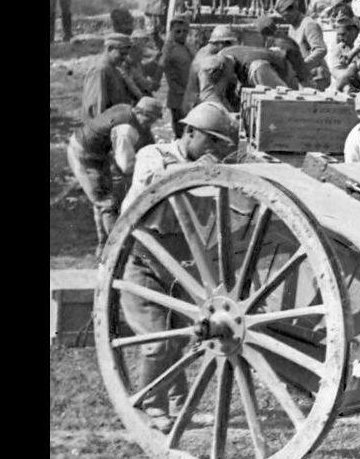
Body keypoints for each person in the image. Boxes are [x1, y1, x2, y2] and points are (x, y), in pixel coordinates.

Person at [117, 102, 238, 431]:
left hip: (182, 261)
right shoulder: (153, 155)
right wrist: (198, 170)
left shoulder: (207, 165)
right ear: (189, 132)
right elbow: (153, 184)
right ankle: (150, 405)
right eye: (210, 141)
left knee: (184, 337)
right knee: (159, 341)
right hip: (141, 258)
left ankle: (179, 404)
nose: (214, 151)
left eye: (219, 145)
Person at [66, 97, 164, 259]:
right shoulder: (125, 130)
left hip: (98, 153)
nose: (150, 125)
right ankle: (118, 248)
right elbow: (126, 166)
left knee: (106, 199)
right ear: (142, 114)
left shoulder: (127, 109)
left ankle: (104, 247)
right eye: (150, 120)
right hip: (83, 154)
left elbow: (145, 138)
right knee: (106, 203)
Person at [82, 34, 141, 120]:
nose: (125, 58)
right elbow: (97, 108)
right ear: (109, 49)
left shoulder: (115, 70)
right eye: (122, 54)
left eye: (126, 54)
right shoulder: (100, 70)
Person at [277, 0, 327, 88]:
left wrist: (303, 66)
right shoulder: (292, 27)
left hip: (316, 77)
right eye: (282, 17)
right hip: (302, 76)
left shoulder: (309, 24)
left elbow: (321, 49)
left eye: (286, 16)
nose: (284, 19)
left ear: (294, 9)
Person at [158, 18, 194, 137]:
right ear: (171, 32)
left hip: (188, 94)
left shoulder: (186, 48)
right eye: (178, 31)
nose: (182, 34)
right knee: (181, 133)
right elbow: (161, 66)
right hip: (178, 97)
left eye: (185, 31)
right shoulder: (169, 49)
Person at [327, 18, 360, 92]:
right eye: (338, 35)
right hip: (355, 89)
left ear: (354, 31)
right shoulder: (339, 48)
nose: (340, 38)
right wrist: (349, 73)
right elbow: (336, 72)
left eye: (343, 34)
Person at [254, 15, 307, 87]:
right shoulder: (282, 37)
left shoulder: (280, 42)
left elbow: (278, 58)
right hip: (296, 77)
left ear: (264, 33)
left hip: (296, 79)